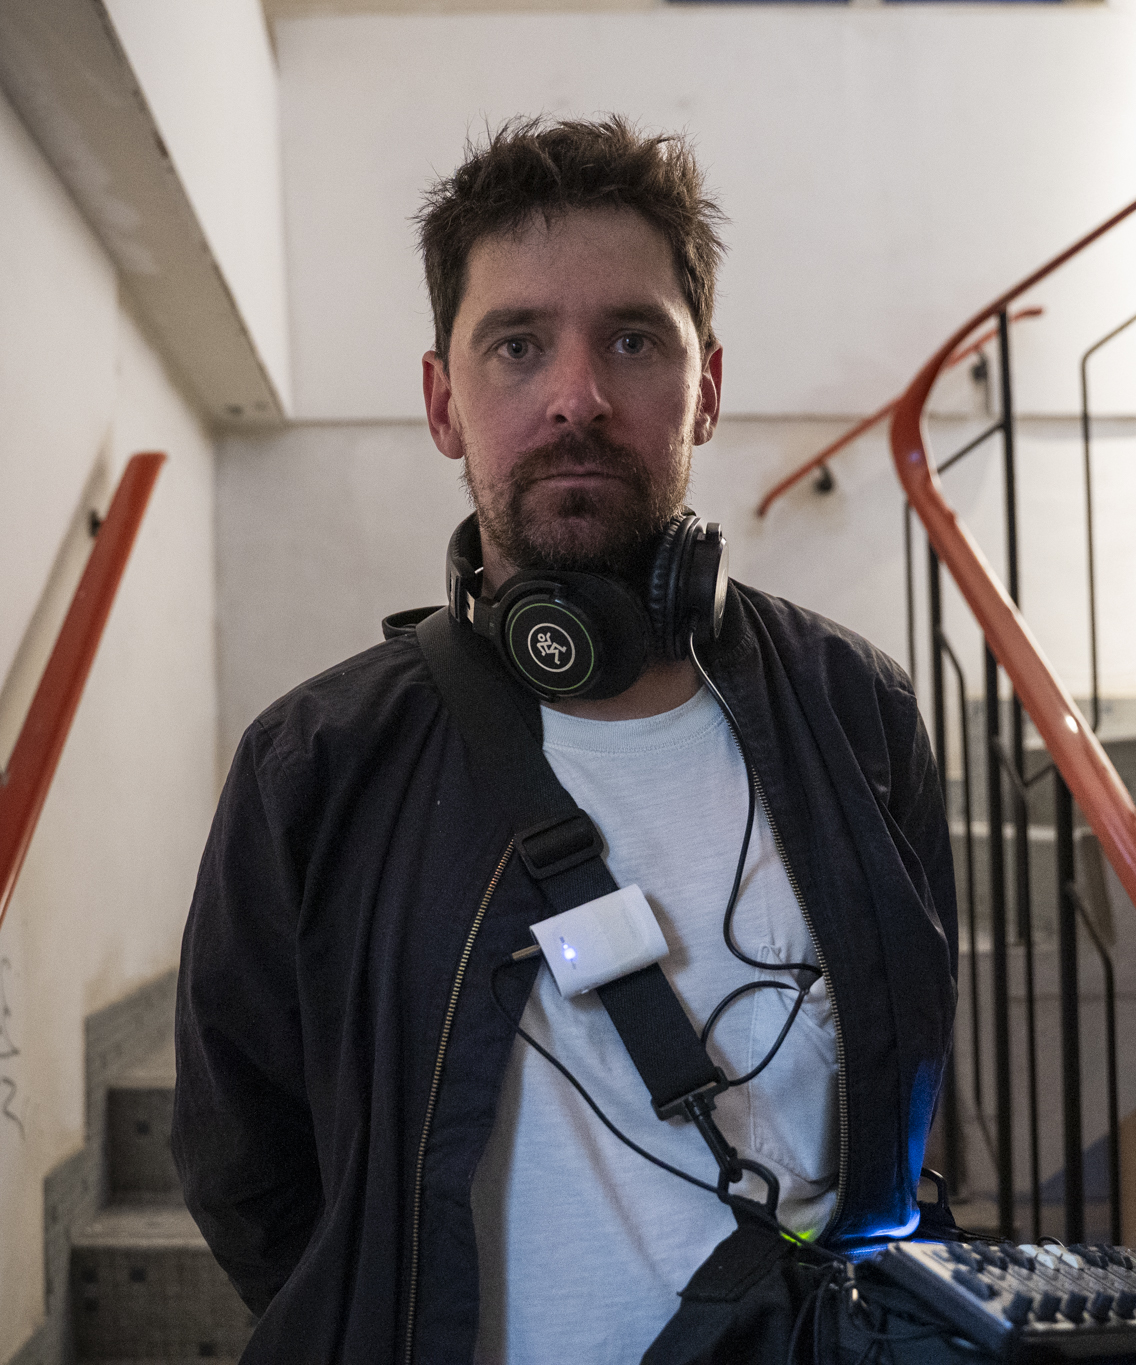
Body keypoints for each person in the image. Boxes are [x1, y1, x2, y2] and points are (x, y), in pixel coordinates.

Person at [172, 115, 956, 1364]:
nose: (576, 397)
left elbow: (908, 1105)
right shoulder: (312, 765)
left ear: (704, 385)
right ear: (443, 402)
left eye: (632, 339)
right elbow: (245, 1166)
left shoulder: (856, 716)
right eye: (516, 345)